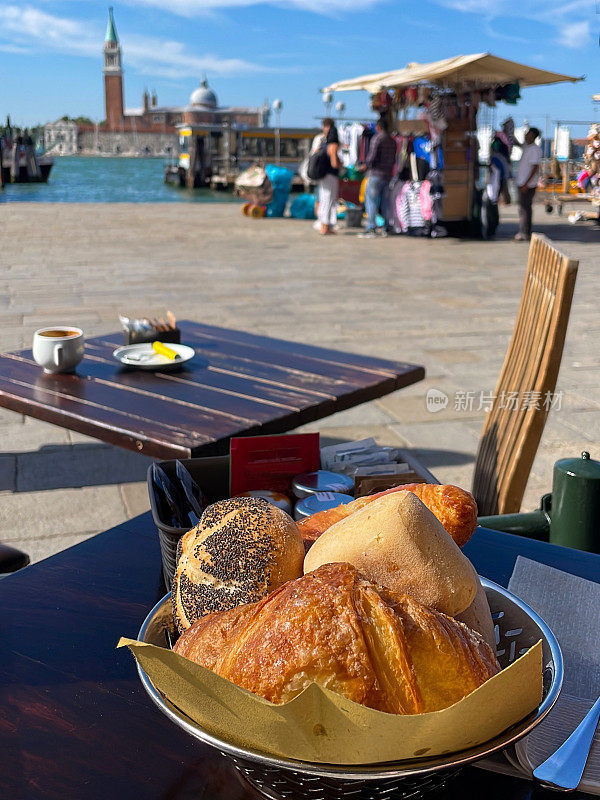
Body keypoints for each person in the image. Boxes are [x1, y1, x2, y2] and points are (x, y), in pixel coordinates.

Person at [359, 117, 397, 238]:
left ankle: (371, 227)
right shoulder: (392, 140)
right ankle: (387, 227)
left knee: (371, 201)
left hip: (376, 174)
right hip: (388, 175)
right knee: (386, 202)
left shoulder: (377, 138)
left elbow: (372, 156)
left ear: (378, 127)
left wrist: (365, 165)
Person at [514, 127, 542, 241]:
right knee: (522, 207)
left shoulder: (535, 150)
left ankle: (524, 232)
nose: (526, 136)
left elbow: (534, 168)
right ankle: (523, 230)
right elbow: (517, 144)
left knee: (525, 208)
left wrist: (526, 184)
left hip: (528, 184)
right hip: (522, 182)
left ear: (533, 136)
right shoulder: (527, 147)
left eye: (528, 134)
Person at [317, 118, 340, 235]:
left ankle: (324, 225)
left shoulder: (323, 143)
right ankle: (325, 227)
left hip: (322, 175)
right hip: (331, 175)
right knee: (329, 200)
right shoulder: (333, 145)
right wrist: (341, 166)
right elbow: (334, 163)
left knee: (324, 199)